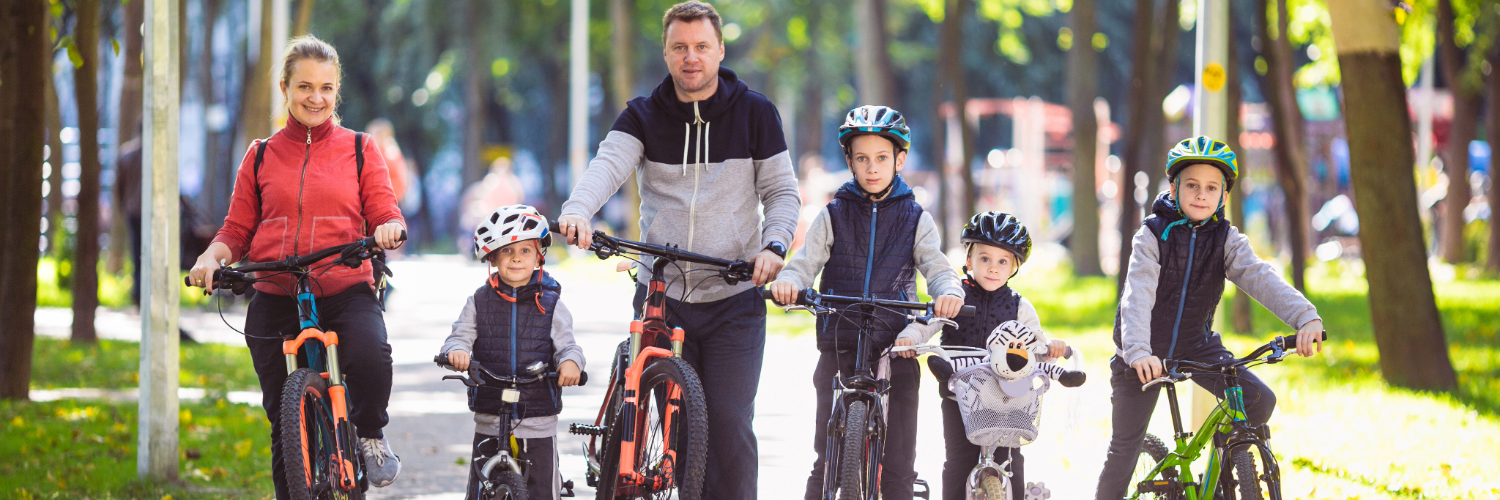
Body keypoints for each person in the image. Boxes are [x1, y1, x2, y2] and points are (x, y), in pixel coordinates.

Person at [554, 2, 800, 497]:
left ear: (719, 50)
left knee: (728, 425)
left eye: (701, 46)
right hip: (662, 294)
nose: (692, 57)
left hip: (733, 295)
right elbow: (606, 166)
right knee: (678, 429)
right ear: (666, 53)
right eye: (680, 47)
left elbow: (782, 193)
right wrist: (578, 209)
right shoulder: (642, 116)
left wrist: (774, 246)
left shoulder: (756, 113)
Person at [187, 35, 406, 498]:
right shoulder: (261, 154)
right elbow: (236, 229)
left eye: (326, 88)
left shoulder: (361, 149)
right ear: (285, 88)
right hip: (275, 289)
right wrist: (211, 258)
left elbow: (385, 210)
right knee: (283, 416)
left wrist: (387, 228)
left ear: (336, 92)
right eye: (305, 86)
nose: (316, 98)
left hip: (344, 283)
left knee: (371, 355)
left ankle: (367, 432)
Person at [1094, 136, 1325, 499]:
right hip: (1141, 354)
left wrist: (1305, 318)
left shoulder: (1226, 239)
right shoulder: (1152, 235)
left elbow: (1260, 277)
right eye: (1192, 185)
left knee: (1258, 400)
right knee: (1124, 449)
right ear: (1174, 188)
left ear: (1223, 196)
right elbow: (1137, 295)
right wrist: (1137, 350)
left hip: (1196, 346)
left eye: (1211, 188)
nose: (1201, 195)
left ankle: (1218, 480)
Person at [770, 105, 965, 500]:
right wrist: (789, 282)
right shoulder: (833, 215)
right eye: (862, 158)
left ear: (900, 159)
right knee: (826, 459)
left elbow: (938, 267)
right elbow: (804, 263)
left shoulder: (916, 218)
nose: (871, 168)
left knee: (898, 466)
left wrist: (948, 292)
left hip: (898, 347)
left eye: (881, 158)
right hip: (840, 340)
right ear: (850, 161)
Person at [895, 212, 1069, 500]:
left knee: (1011, 462)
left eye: (1003, 261)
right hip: (960, 399)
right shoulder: (955, 297)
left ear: (1014, 267)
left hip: (1008, 401)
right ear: (968, 260)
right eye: (985, 258)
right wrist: (910, 337)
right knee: (958, 463)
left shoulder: (1020, 306)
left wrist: (1052, 347)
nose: (993, 268)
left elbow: (1035, 343)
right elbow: (928, 323)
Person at [439, 205, 585, 500]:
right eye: (507, 251)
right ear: (492, 257)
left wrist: (571, 363)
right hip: (491, 413)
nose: (516, 258)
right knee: (481, 489)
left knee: (543, 491)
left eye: (525, 251)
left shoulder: (552, 304)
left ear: (539, 256)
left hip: (537, 416)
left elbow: (569, 346)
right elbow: (459, 336)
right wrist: (456, 352)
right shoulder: (478, 302)